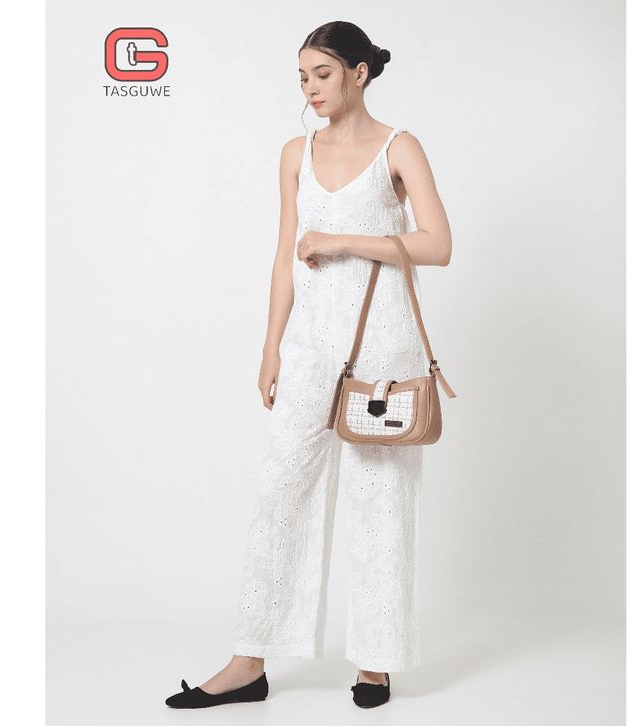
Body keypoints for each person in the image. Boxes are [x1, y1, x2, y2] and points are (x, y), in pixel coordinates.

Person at [166, 20, 452, 711]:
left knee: (381, 501)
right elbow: (284, 253)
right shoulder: (295, 152)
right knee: (281, 494)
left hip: (381, 345)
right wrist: (271, 346)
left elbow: (438, 244)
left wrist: (344, 239)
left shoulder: (399, 146)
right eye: (302, 77)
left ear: (359, 72)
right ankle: (249, 661)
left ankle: (375, 663)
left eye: (322, 74)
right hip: (309, 346)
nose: (310, 88)